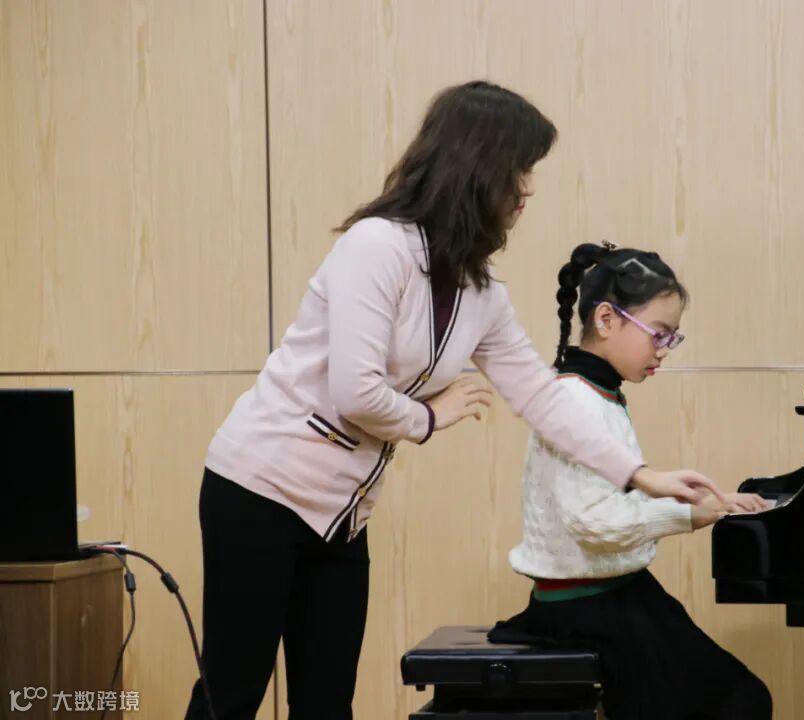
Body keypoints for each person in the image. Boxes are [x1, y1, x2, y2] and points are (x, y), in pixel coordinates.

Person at [184, 81, 725, 720]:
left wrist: (642, 476)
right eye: (520, 169)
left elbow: (541, 398)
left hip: (341, 513)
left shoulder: (480, 291)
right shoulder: (375, 247)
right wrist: (429, 417)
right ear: (478, 166)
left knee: (326, 703)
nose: (526, 190)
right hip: (260, 487)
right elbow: (355, 392)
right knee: (232, 694)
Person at [489, 242, 773, 719]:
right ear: (606, 320)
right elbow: (593, 526)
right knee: (739, 701)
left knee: (738, 697)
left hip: (611, 595)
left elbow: (611, 502)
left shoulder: (597, 393)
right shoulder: (578, 400)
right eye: (658, 334)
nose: (663, 350)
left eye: (671, 338)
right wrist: (686, 516)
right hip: (584, 611)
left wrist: (709, 503)